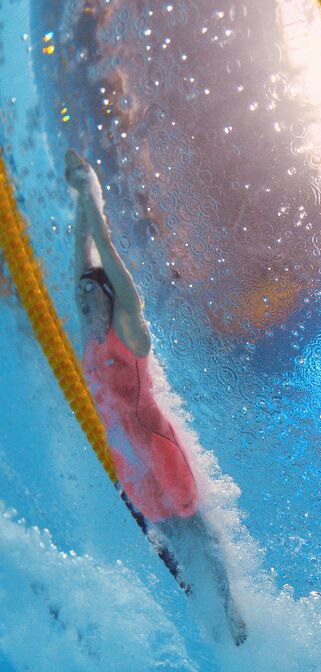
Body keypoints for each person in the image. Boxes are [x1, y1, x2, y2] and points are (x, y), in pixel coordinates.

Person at [66, 150, 248, 644]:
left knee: (197, 527)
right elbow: (82, 260)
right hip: (129, 458)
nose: (84, 303)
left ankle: (231, 609)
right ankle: (200, 607)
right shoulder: (92, 333)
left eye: (92, 295)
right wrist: (79, 199)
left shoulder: (129, 330)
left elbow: (102, 256)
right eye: (81, 298)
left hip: (155, 445)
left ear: (110, 297)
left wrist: (94, 204)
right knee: (166, 534)